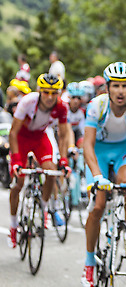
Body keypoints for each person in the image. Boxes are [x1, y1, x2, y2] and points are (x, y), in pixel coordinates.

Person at [81, 62, 126, 287]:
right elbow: (87, 145)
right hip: (99, 153)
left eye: (125, 86)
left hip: (124, 152)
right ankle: (89, 262)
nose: (120, 91)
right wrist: (96, 175)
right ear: (108, 87)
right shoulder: (96, 105)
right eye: (116, 86)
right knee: (99, 205)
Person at [8, 73, 71, 248]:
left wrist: (64, 160)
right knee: (18, 182)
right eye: (46, 92)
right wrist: (15, 161)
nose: (50, 97)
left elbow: (64, 134)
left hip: (40, 139)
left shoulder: (61, 107)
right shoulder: (28, 102)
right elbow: (13, 133)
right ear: (39, 91)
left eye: (54, 93)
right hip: (21, 139)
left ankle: (42, 209)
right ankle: (13, 227)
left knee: (51, 172)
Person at [66, 82, 86, 149]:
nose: (76, 101)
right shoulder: (64, 109)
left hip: (76, 133)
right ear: (69, 97)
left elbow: (82, 129)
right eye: (73, 97)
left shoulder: (81, 112)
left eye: (78, 98)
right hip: (63, 133)